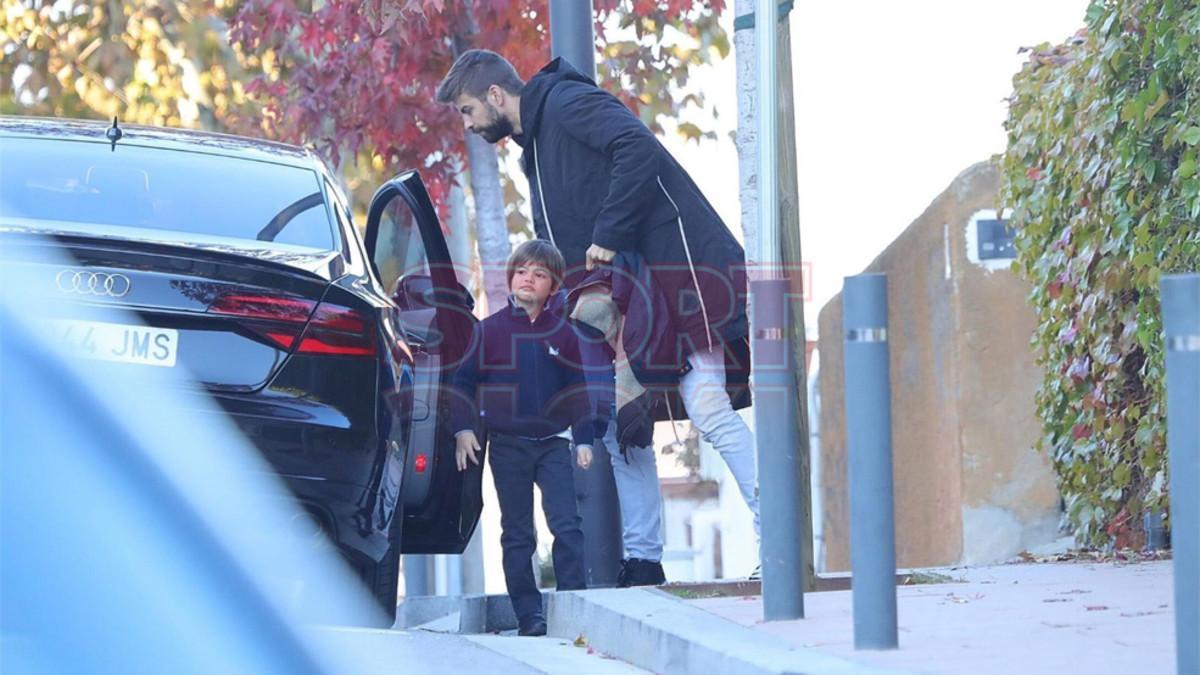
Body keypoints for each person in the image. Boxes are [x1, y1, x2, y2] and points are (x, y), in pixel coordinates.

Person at [437, 50, 762, 584]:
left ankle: (779, 545)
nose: (469, 125)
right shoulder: (534, 147)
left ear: (496, 96)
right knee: (619, 425)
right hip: (622, 303)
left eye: (469, 111)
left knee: (708, 407)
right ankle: (643, 563)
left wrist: (608, 234)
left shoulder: (564, 101)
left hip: (679, 275)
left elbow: (638, 146)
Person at [450, 240, 597, 637]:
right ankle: (529, 615)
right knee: (518, 532)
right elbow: (461, 384)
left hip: (554, 442)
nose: (528, 279)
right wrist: (463, 429)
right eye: (521, 272)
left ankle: (573, 605)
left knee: (567, 525)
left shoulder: (564, 334)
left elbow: (578, 389)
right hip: (508, 445)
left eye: (539, 274)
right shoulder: (489, 331)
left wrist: (583, 437)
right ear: (511, 278)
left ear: (553, 286)